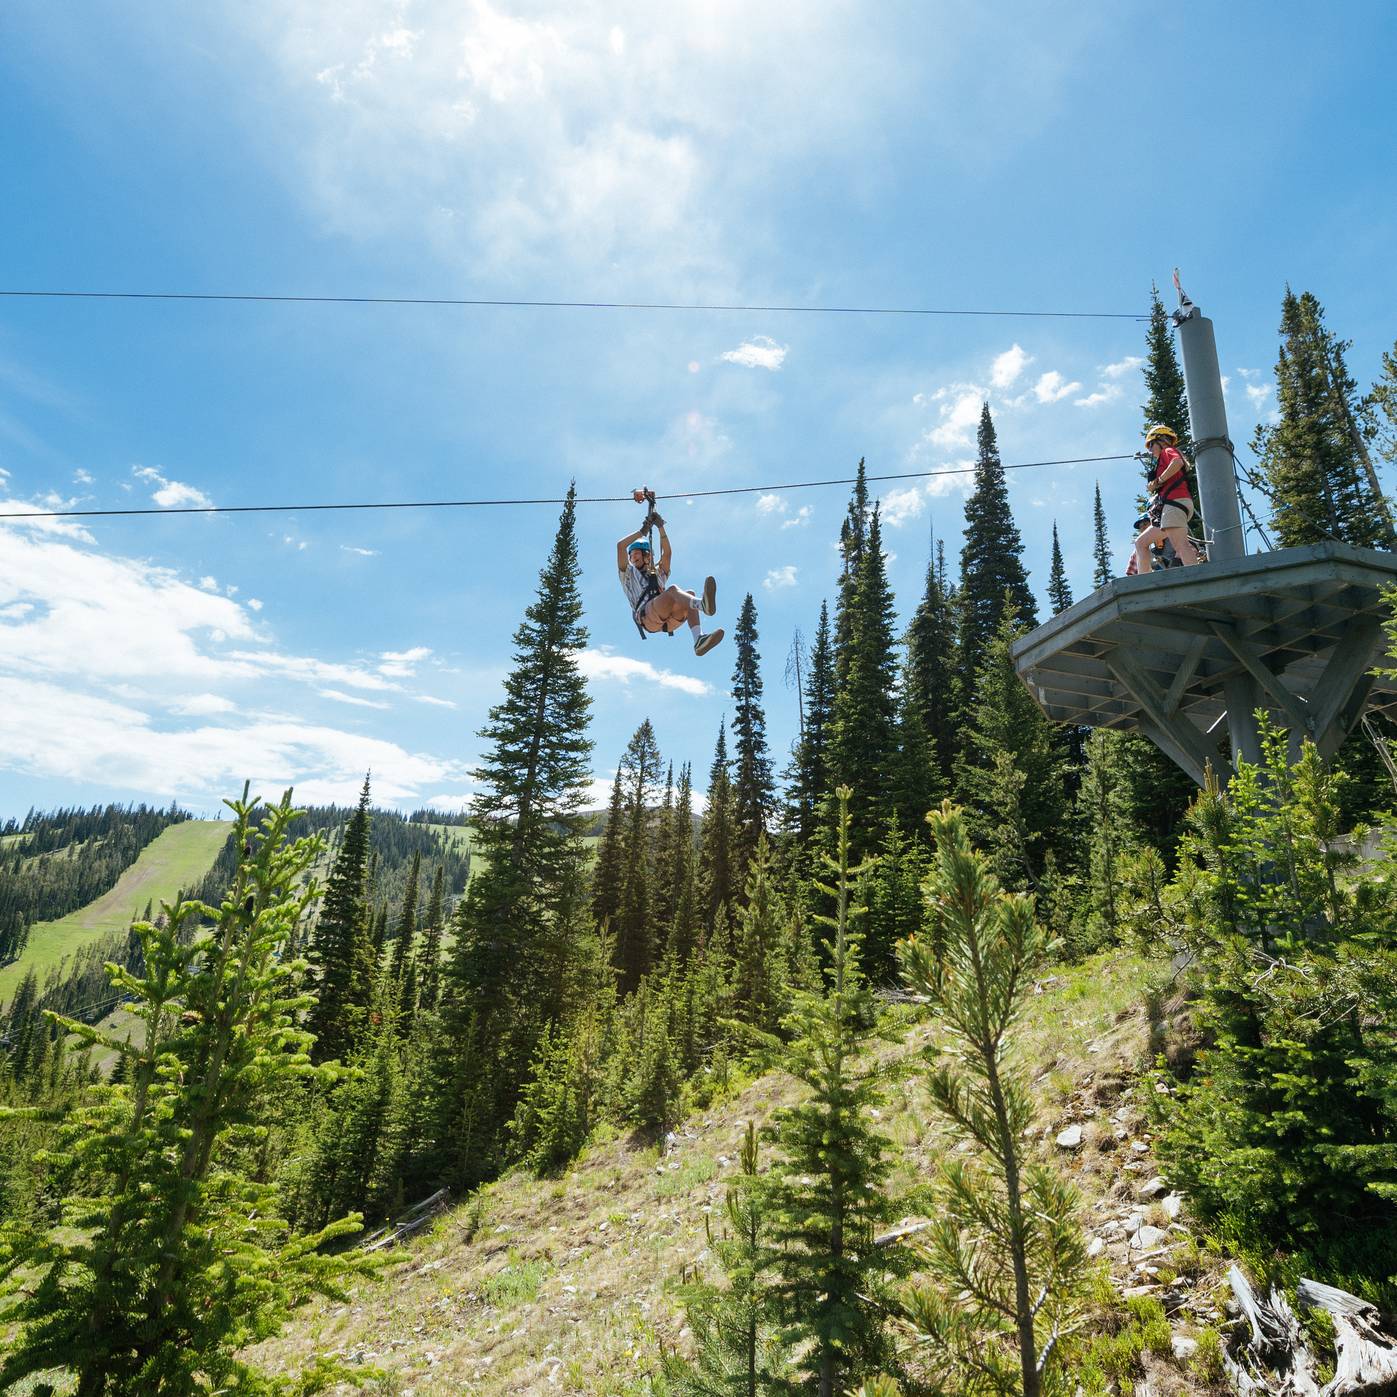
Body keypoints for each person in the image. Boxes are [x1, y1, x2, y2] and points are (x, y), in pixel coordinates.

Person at [617, 508, 724, 655]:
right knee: (674, 591)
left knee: (689, 594)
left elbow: (667, 554)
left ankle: (698, 640)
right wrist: (643, 531)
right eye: (631, 556)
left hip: (668, 621)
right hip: (647, 617)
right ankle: (702, 605)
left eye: (636, 554)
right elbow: (620, 546)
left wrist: (661, 527)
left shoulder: (657, 573)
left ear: (647, 556)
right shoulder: (628, 575)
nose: (633, 558)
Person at [1132, 425, 1201, 574]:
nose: (1150, 450)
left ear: (1161, 440)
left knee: (1181, 546)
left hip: (1174, 504)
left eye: (1151, 445)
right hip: (1175, 505)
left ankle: (1197, 578)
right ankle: (1145, 580)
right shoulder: (1166, 455)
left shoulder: (1168, 451)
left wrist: (1158, 481)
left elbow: (1177, 463)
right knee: (1141, 543)